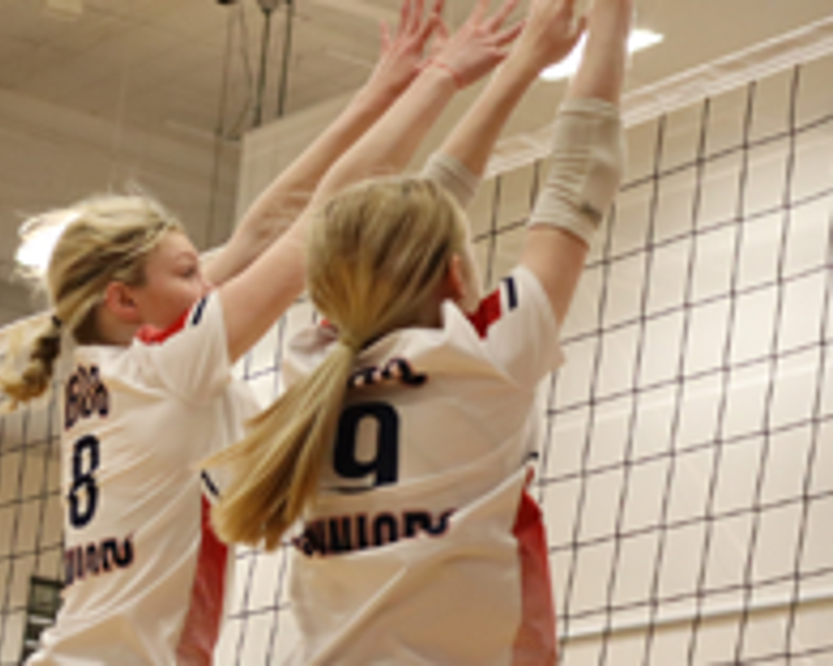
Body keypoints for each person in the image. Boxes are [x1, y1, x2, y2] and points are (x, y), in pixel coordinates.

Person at [0, 0, 524, 663]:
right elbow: (323, 216)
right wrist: (442, 77)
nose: (208, 283)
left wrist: (380, 91)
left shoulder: (111, 369)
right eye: (188, 272)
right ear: (125, 300)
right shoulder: (170, 367)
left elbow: (263, 228)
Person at [205, 0, 632, 662]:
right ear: (456, 275)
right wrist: (537, 56)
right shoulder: (484, 356)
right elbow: (578, 171)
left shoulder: (315, 363)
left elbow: (395, 235)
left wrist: (522, 66)